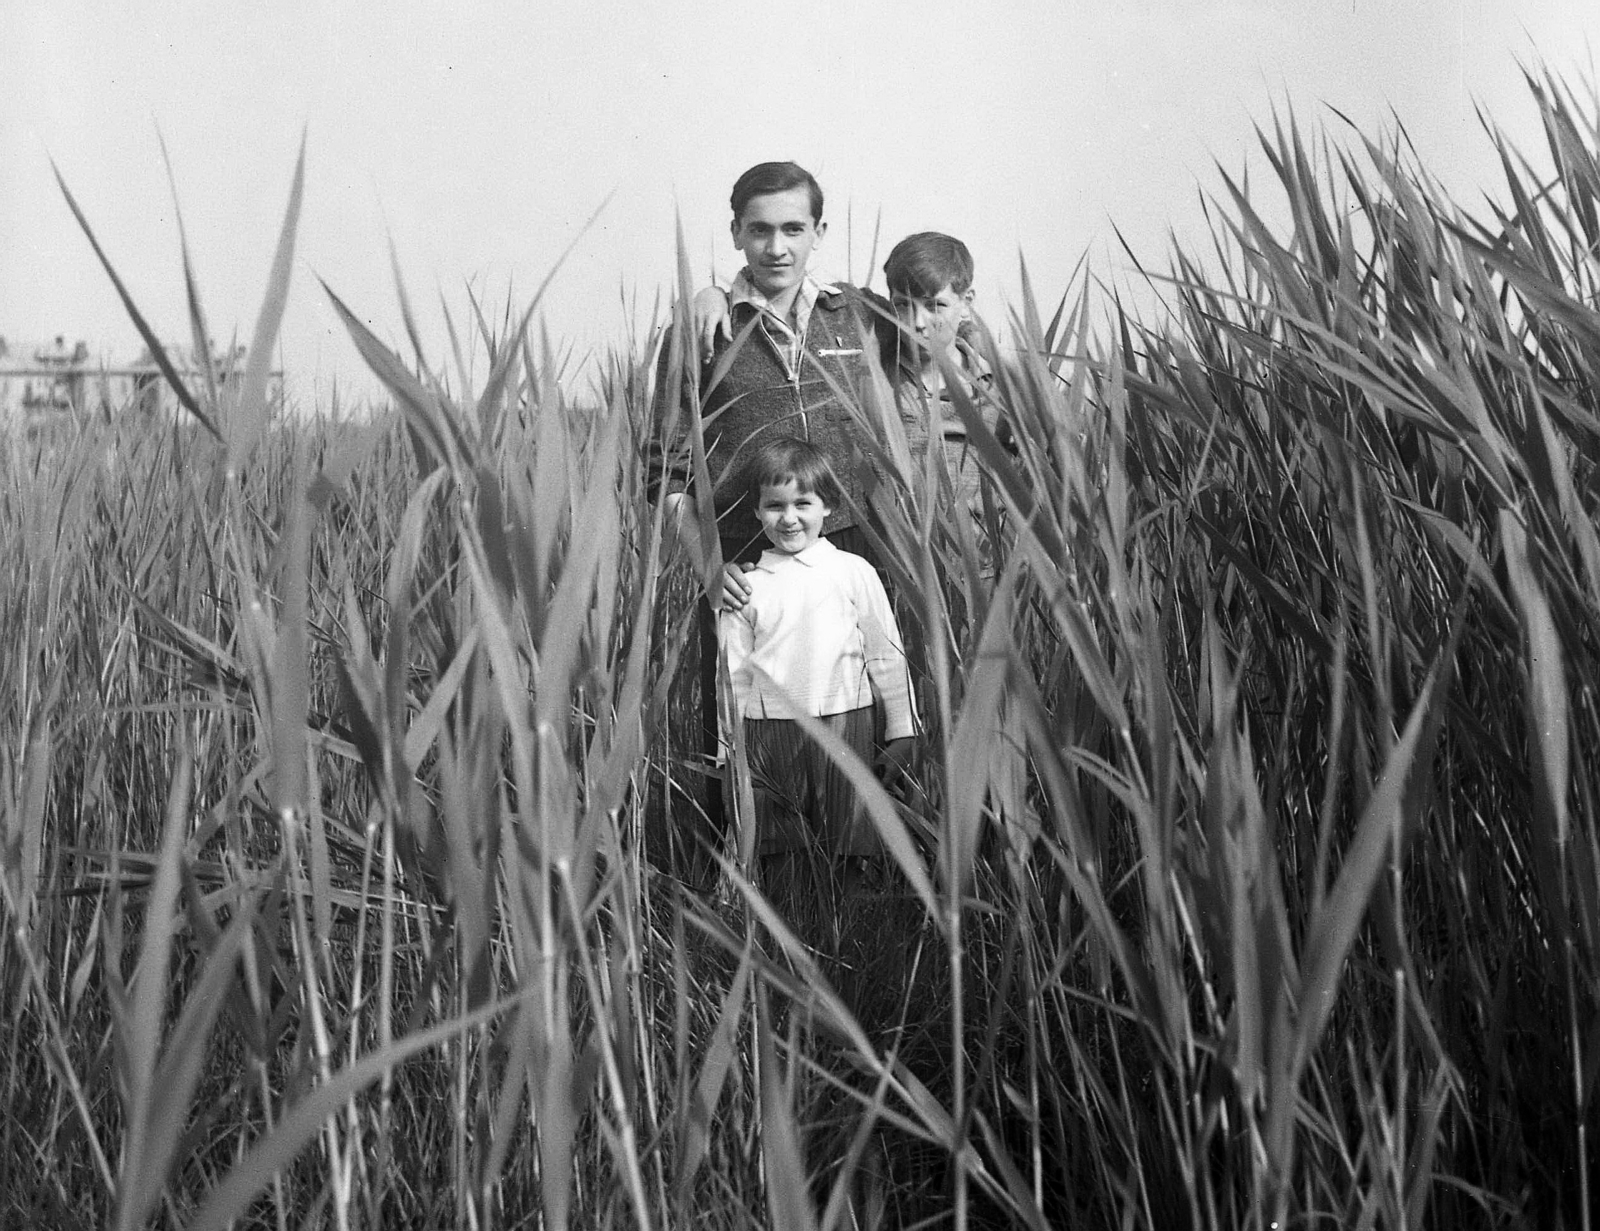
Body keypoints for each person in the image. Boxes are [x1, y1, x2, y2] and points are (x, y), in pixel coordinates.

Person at [649, 162, 886, 864]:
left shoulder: (856, 314)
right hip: (744, 559)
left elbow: (937, 332)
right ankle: (748, 880)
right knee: (743, 724)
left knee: (854, 711)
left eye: (792, 229)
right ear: (735, 233)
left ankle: (854, 877)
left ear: (819, 231)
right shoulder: (704, 329)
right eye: (759, 230)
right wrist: (708, 564)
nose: (776, 247)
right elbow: (665, 466)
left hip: (849, 548)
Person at [719, 438, 916, 884]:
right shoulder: (747, 586)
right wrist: (727, 749)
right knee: (780, 846)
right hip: (769, 729)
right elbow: (732, 675)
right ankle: (790, 917)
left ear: (828, 506)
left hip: (847, 722)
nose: (789, 518)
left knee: (850, 838)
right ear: (756, 512)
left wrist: (902, 730)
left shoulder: (854, 571)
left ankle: (849, 919)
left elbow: (886, 653)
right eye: (775, 506)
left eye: (802, 503)